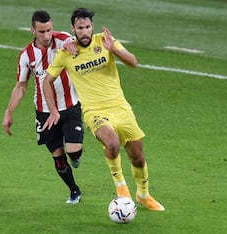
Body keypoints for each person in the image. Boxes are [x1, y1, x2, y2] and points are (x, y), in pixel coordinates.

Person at [43, 8, 165, 211]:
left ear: (92, 27)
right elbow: (48, 81)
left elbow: (133, 62)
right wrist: (53, 110)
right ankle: (121, 188)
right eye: (80, 28)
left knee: (138, 156)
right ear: (73, 28)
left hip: (121, 108)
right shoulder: (66, 53)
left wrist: (114, 49)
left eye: (87, 27)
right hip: (95, 112)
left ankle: (143, 195)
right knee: (112, 142)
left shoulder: (105, 41)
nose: (84, 32)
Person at [2, 10, 84, 205]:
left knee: (73, 151)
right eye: (41, 32)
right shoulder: (26, 56)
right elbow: (21, 87)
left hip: (70, 105)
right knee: (57, 154)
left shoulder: (63, 39)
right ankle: (74, 191)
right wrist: (9, 112)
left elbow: (74, 43)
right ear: (33, 31)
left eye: (49, 30)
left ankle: (75, 156)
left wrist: (74, 47)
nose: (47, 36)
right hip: (44, 112)